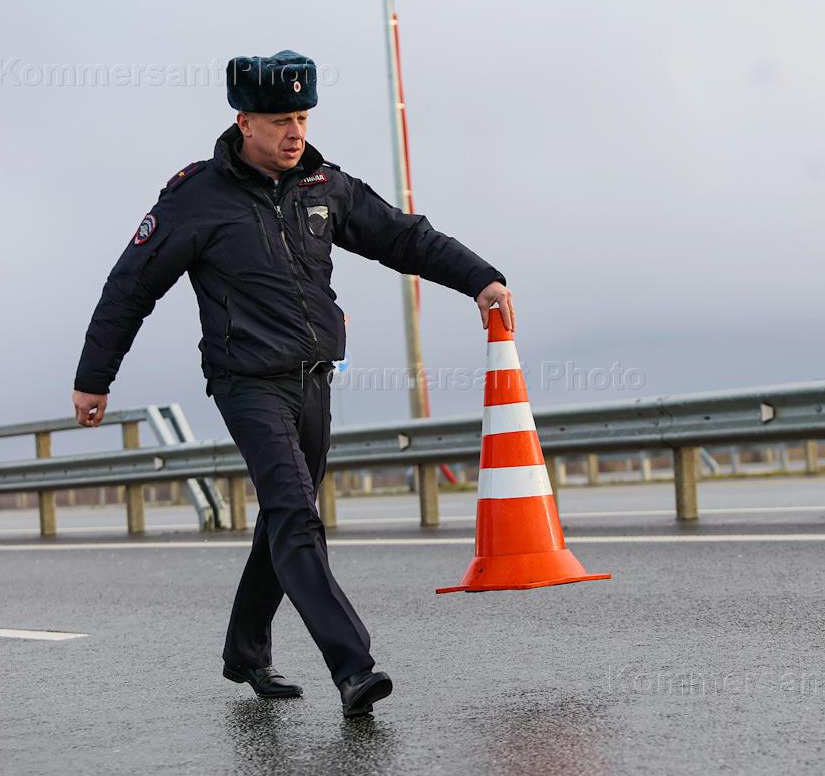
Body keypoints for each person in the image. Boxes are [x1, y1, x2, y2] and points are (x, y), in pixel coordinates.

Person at [71, 50, 513, 717]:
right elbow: (130, 287)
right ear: (244, 122)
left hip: (313, 380)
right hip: (246, 382)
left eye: (302, 117)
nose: (295, 133)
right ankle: (353, 667)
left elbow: (404, 238)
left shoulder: (323, 186)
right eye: (281, 121)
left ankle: (246, 651)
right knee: (297, 515)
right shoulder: (196, 198)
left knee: (285, 517)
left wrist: (480, 277)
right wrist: (94, 378)